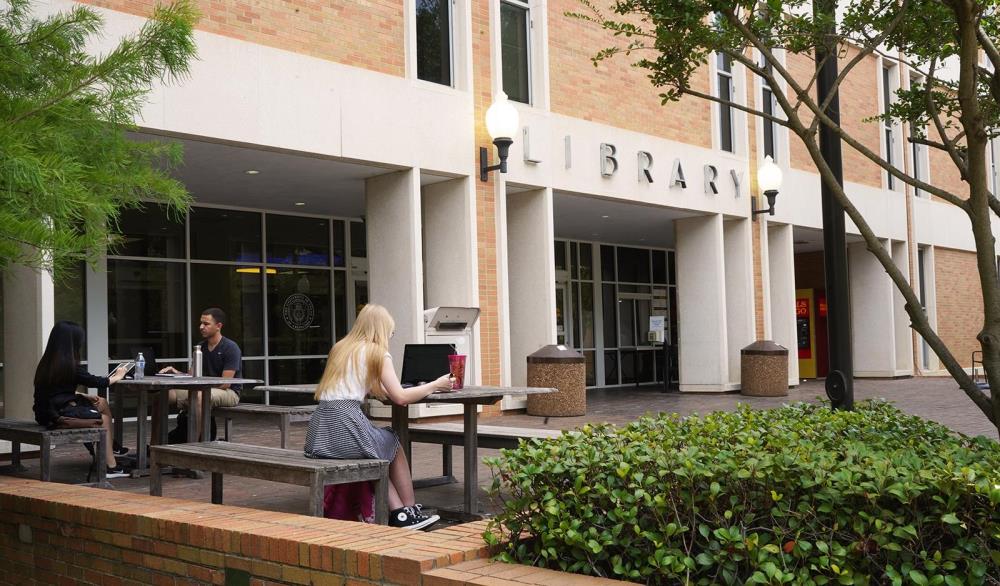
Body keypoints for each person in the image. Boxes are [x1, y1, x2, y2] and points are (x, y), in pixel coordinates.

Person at [306, 303, 451, 530]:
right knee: (392, 442)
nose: (390, 337)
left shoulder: (340, 348)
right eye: (390, 332)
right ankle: (408, 511)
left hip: (321, 432)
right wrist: (435, 384)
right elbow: (401, 397)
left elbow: (364, 386)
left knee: (376, 450)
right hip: (347, 424)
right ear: (381, 330)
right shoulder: (377, 353)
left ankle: (401, 512)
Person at [33, 321, 132, 478]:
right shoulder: (69, 366)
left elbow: (56, 391)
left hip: (45, 411)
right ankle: (111, 468)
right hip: (56, 416)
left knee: (102, 402)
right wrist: (119, 375)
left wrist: (82, 395)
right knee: (104, 419)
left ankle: (109, 445)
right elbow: (99, 382)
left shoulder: (48, 363)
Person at [154, 307, 241, 442]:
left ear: (218, 326)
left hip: (229, 392)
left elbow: (225, 383)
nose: (201, 327)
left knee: (199, 397)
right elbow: (192, 376)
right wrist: (176, 373)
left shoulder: (230, 347)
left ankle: (193, 447)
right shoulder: (201, 347)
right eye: (200, 323)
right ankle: (155, 445)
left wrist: (201, 386)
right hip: (204, 389)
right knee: (162, 396)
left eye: (206, 324)